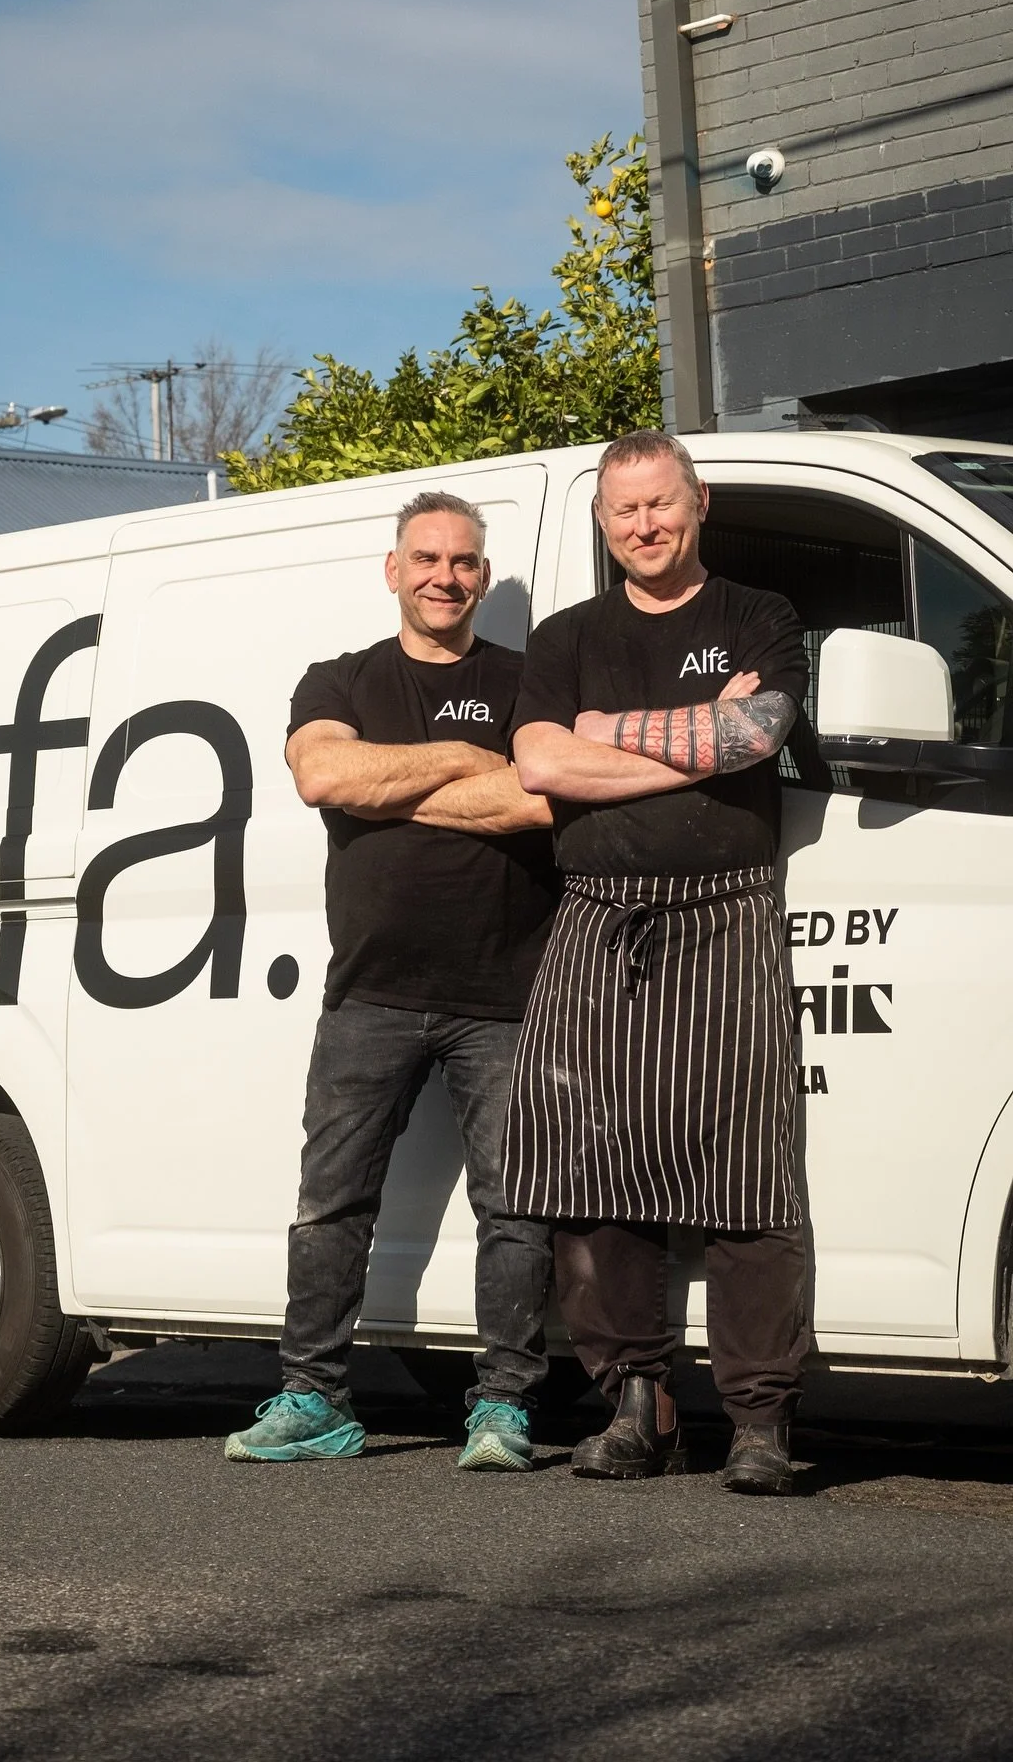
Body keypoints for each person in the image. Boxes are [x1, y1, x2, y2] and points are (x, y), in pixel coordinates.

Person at [226, 491, 561, 1470]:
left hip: (504, 992)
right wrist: (464, 761)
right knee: (330, 1203)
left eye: (463, 563)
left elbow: (541, 801)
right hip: (368, 994)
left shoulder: (526, 680)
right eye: (426, 558)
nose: (444, 577)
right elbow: (325, 778)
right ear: (393, 569)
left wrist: (398, 787)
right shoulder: (339, 679)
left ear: (483, 578)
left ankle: (502, 1408)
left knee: (514, 1208)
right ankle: (313, 1399)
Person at [509, 428, 810, 1497]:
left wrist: (608, 740)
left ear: (698, 505)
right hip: (596, 917)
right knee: (591, 1178)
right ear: (603, 519)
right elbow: (541, 760)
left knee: (747, 1180)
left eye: (660, 505)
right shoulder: (565, 635)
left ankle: (761, 1423)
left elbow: (761, 735)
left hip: (728, 914)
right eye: (624, 510)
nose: (644, 526)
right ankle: (637, 1407)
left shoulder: (759, 616)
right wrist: (691, 741)